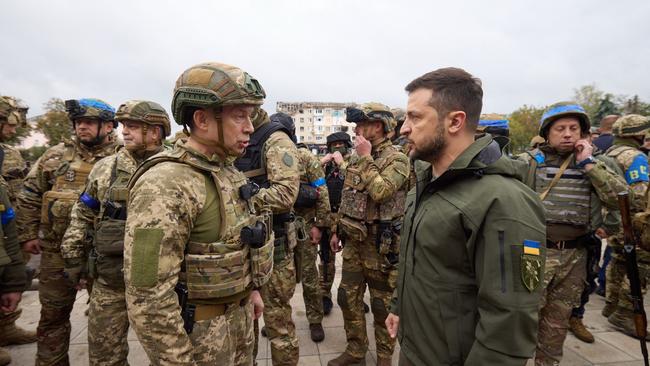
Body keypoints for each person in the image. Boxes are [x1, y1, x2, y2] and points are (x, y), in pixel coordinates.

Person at [386, 67, 546, 366]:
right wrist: (398, 308)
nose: (403, 129)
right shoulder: (425, 183)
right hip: (416, 348)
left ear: (455, 121)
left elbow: (509, 324)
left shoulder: (504, 201)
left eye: (415, 117)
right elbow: (419, 262)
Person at [124, 62, 272, 365]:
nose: (250, 127)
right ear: (202, 119)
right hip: (200, 343)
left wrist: (251, 291)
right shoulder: (165, 183)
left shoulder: (227, 171)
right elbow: (147, 295)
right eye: (239, 115)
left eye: (251, 115)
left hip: (239, 330)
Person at [61, 100, 171, 365]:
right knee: (104, 356)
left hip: (164, 287)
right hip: (111, 281)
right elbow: (83, 213)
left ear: (155, 131)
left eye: (133, 126)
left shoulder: (175, 168)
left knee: (172, 356)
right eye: (124, 126)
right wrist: (73, 256)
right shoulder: (106, 168)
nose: (124, 132)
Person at [518, 102, 628, 365]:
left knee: (558, 321)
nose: (567, 134)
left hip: (575, 255)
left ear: (583, 132)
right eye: (560, 129)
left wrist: (589, 165)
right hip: (535, 251)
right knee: (523, 318)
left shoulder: (597, 165)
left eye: (573, 128)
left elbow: (623, 199)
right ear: (547, 133)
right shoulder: (529, 163)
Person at [17, 98, 119, 365]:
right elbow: (29, 195)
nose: (81, 127)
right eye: (78, 122)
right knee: (53, 316)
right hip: (55, 253)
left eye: (88, 122)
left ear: (108, 126)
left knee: (107, 321)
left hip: (104, 256)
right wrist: (27, 235)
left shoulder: (123, 158)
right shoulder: (55, 156)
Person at [328, 103, 409, 366]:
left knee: (382, 305)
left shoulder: (397, 159)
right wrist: (336, 229)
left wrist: (365, 157)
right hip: (354, 244)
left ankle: (384, 357)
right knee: (348, 299)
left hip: (381, 247)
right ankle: (356, 350)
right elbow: (348, 197)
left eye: (361, 125)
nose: (357, 130)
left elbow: (382, 192)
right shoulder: (356, 157)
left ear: (379, 126)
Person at [234, 107, 300, 366]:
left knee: (279, 326)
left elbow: (285, 195)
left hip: (275, 249)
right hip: (241, 250)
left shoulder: (275, 139)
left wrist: (236, 198)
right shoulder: (230, 137)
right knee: (244, 330)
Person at [271, 112, 331, 342]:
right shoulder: (269, 157)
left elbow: (322, 192)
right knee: (278, 280)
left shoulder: (305, 157)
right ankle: (278, 321)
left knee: (309, 276)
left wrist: (320, 225)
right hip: (278, 230)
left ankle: (315, 320)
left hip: (304, 227)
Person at [603, 114, 650, 338]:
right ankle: (625, 313)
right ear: (638, 134)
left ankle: (611, 303)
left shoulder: (610, 153)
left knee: (619, 260)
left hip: (615, 220)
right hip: (634, 223)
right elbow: (640, 195)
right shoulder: (636, 157)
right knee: (639, 268)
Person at [0, 98, 29, 366]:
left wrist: (24, 233)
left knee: (8, 282)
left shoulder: (8, 153)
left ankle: (6, 327)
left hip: (7, 227)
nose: (11, 130)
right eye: (8, 125)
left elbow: (19, 194)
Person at [320, 132, 353, 315]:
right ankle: (325, 295)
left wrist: (342, 164)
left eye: (341, 144)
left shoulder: (353, 163)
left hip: (347, 218)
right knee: (326, 260)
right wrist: (320, 164)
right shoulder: (325, 165)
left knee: (351, 261)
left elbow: (358, 182)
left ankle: (351, 295)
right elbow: (310, 180)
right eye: (334, 144)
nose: (337, 147)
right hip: (327, 217)